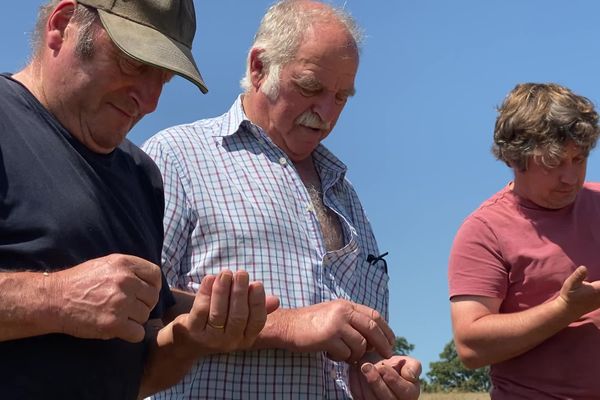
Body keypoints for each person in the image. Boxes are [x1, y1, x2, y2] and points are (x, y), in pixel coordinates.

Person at [142, 1, 421, 399]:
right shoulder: (179, 157)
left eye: (342, 97)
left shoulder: (346, 195)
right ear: (259, 67)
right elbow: (139, 305)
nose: (325, 112)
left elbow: (361, 355)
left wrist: (382, 379)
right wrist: (288, 325)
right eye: (311, 87)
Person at [0, 1, 276, 399]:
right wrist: (54, 298)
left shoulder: (141, 176)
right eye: (133, 62)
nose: (149, 100)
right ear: (62, 26)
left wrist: (191, 340)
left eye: (163, 78)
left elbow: (135, 376)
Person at [449, 82, 600, 398]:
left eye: (579, 159)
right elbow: (470, 345)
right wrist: (564, 309)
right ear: (515, 158)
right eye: (554, 162)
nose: (570, 178)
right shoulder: (484, 230)